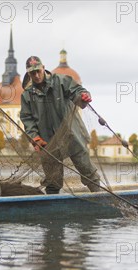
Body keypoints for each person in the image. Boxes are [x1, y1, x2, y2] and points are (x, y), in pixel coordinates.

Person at [20, 56, 101, 194]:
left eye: (38, 71)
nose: (37, 75)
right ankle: (52, 204)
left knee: (87, 170)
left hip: (72, 135)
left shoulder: (61, 81)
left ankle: (99, 195)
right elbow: (27, 119)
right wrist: (35, 138)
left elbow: (77, 91)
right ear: (28, 74)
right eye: (33, 73)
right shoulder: (27, 95)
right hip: (48, 142)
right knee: (53, 181)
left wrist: (83, 96)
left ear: (43, 67)